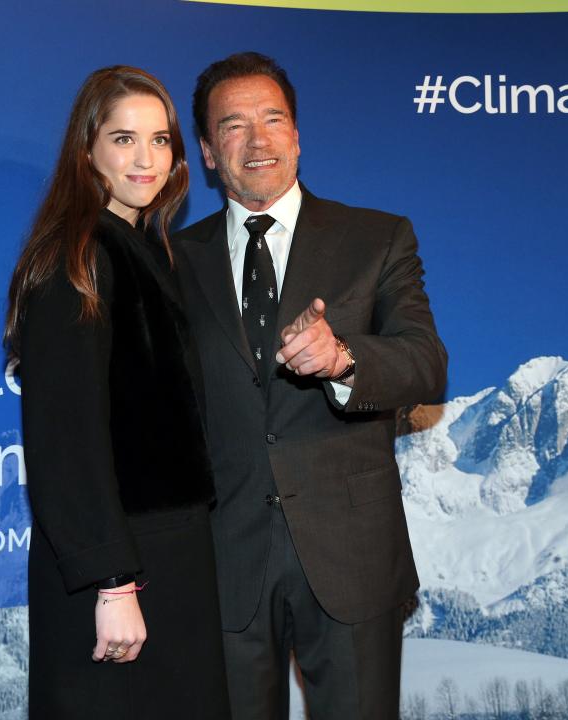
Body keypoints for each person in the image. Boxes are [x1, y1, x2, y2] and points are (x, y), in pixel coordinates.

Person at [173, 52, 448, 719]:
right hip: (222, 567)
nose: (258, 140)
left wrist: (344, 358)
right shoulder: (172, 261)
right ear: (209, 153)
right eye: (234, 126)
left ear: (297, 135)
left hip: (351, 560)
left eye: (274, 119)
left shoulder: (377, 238)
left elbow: (426, 363)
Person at [4, 66, 230, 720]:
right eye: (123, 139)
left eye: (160, 140)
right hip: (119, 562)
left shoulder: (141, 248)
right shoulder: (77, 258)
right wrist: (112, 581)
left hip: (168, 553)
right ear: (87, 151)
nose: (145, 158)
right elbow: (63, 436)